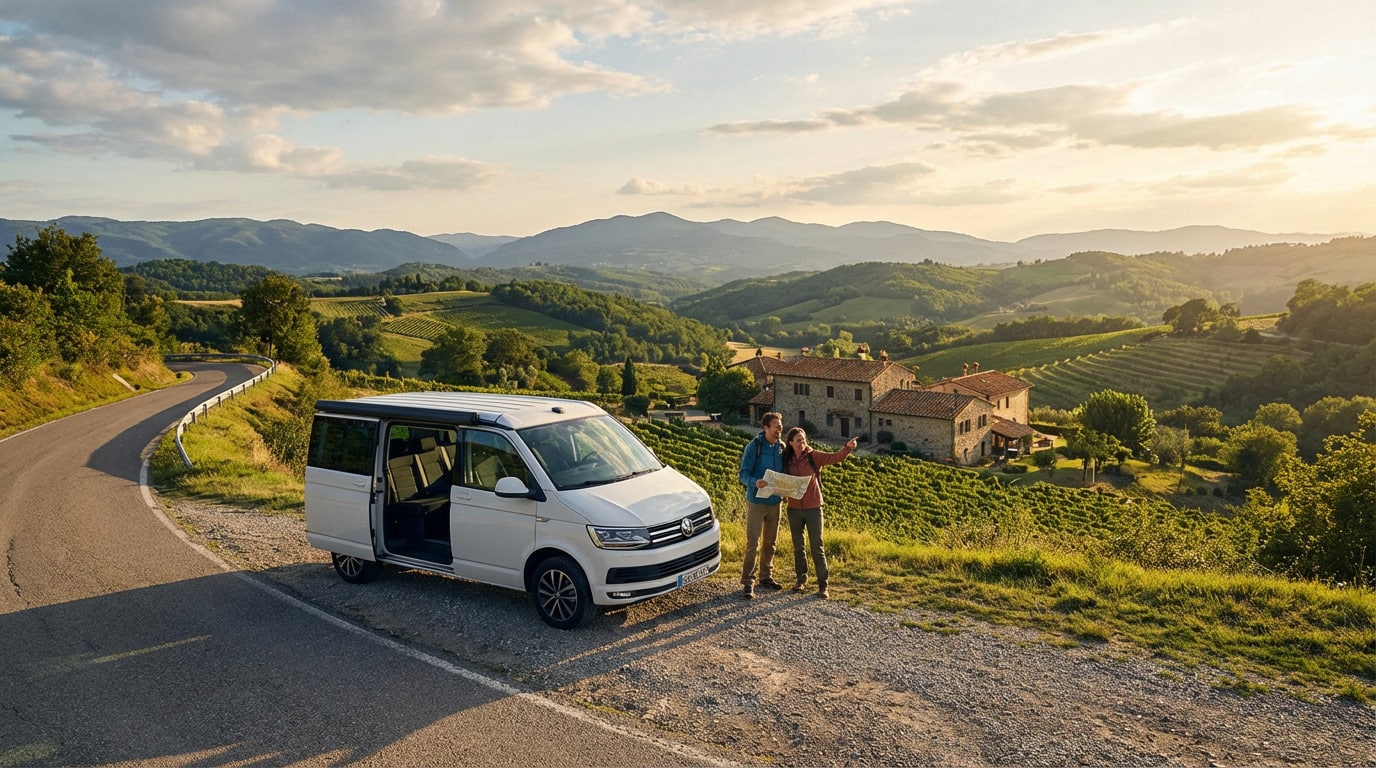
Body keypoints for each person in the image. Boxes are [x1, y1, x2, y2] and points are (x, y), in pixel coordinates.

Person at [781, 427, 856, 599]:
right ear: (791, 443)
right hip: (793, 508)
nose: (802, 443)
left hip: (813, 507)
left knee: (817, 547)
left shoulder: (814, 456)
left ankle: (823, 586)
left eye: (804, 439)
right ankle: (801, 580)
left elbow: (835, 457)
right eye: (798, 440)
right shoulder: (786, 459)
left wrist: (848, 447)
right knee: (798, 547)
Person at [737, 411, 785, 599]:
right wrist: (755, 482)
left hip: (775, 502)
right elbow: (743, 474)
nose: (780, 429)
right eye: (776, 426)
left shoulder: (781, 447)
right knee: (753, 543)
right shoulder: (753, 447)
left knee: (770, 543)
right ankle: (748, 581)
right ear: (766, 428)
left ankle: (766, 576)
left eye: (780, 426)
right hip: (757, 502)